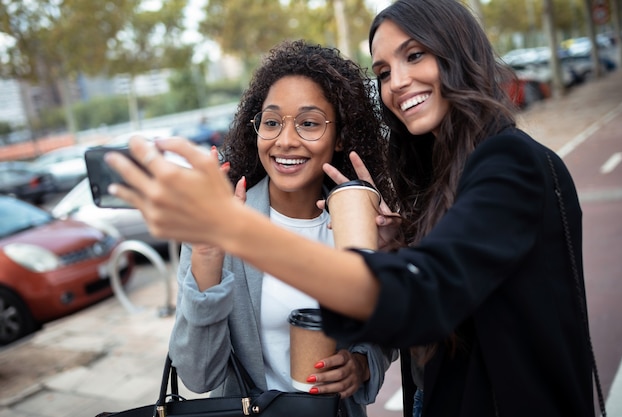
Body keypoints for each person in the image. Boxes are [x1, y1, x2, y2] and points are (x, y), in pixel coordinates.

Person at [104, 1, 597, 416]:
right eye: (383, 72)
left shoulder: (508, 160)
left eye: (415, 55)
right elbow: (198, 371)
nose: (398, 82)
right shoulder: (447, 177)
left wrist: (361, 362)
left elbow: (421, 296)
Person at [166, 39, 398, 417]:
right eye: (272, 122)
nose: (286, 141)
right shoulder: (223, 226)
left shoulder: (361, 225)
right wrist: (207, 256)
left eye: (308, 123)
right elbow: (198, 375)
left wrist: (362, 365)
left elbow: (386, 332)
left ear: (340, 136)